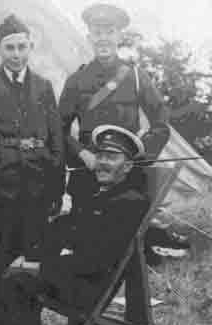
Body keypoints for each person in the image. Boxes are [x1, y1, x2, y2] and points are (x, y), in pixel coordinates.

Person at [0, 125, 150, 325]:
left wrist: (39, 266)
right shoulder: (99, 194)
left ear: (128, 166)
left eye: (111, 157)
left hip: (89, 286)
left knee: (17, 281)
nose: (102, 163)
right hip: (74, 275)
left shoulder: (128, 203)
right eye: (100, 156)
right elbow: (62, 231)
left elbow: (96, 261)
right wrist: (32, 255)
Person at [0, 13, 64, 325]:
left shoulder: (43, 86)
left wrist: (57, 187)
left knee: (32, 262)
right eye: (9, 47)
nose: (16, 54)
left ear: (31, 46)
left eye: (22, 46)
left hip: (37, 188)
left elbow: (55, 138)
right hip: (1, 188)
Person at [59, 2, 170, 205]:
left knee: (124, 232)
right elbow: (58, 129)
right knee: (83, 232)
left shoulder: (136, 76)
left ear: (119, 37)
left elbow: (161, 124)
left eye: (109, 32)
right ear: (89, 38)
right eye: (97, 33)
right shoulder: (76, 80)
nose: (103, 39)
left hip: (127, 178)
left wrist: (135, 158)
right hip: (88, 171)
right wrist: (83, 154)